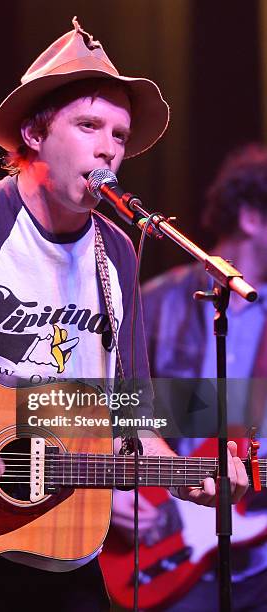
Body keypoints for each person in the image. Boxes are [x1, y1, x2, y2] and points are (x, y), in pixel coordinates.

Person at [0, 18, 248, 612]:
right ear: (36, 134)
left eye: (119, 133)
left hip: (58, 542)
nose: (108, 147)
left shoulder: (115, 250)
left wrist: (189, 479)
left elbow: (127, 410)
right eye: (89, 124)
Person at [107, 143, 267, 611]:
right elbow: (108, 406)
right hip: (165, 546)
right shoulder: (153, 303)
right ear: (252, 219)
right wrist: (113, 493)